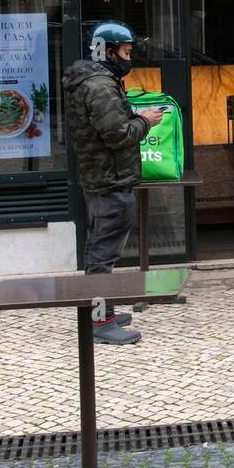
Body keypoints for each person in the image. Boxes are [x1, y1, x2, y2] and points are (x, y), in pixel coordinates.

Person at [62, 21, 165, 346]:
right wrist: (144, 121)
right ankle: (100, 321)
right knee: (102, 255)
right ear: (108, 51)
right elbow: (117, 134)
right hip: (109, 180)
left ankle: (103, 309)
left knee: (100, 249)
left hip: (102, 178)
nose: (128, 56)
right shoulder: (101, 86)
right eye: (125, 51)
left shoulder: (96, 81)